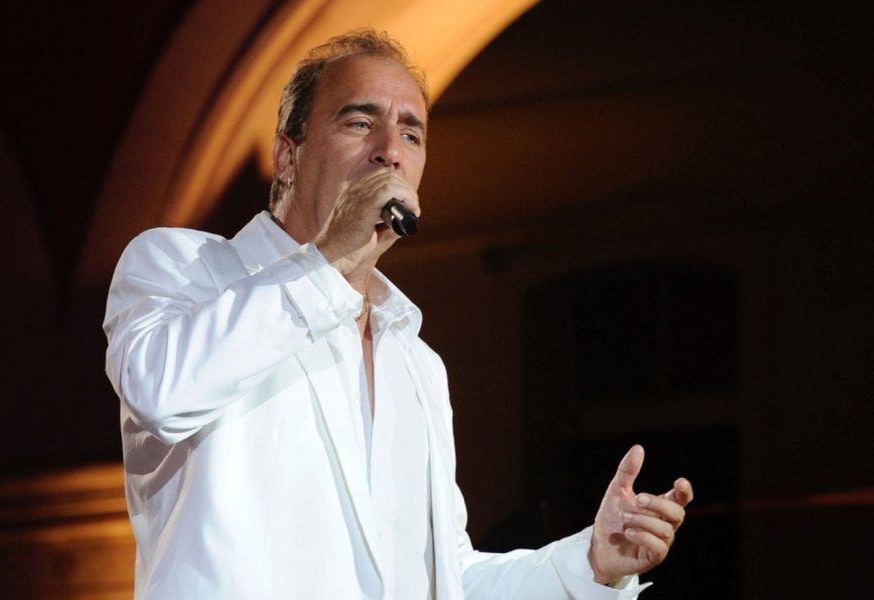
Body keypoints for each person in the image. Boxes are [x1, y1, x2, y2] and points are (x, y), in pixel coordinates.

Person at [103, 30, 693, 599]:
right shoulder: (184, 267)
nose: (389, 150)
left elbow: (446, 580)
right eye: (360, 123)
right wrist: (329, 259)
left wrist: (590, 565)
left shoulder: (415, 361)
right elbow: (162, 392)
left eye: (411, 134)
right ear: (287, 156)